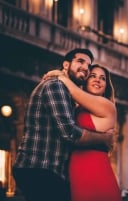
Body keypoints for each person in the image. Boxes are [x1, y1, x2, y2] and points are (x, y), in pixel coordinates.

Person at [13, 48, 114, 201]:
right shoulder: (56, 86)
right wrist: (104, 139)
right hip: (41, 167)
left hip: (52, 169)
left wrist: (63, 77)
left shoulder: (69, 92)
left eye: (88, 65)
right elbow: (69, 133)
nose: (85, 68)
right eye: (80, 61)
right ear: (66, 65)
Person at [44, 64, 122, 201]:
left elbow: (74, 91)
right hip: (75, 170)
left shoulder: (107, 105)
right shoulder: (77, 107)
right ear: (85, 80)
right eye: (93, 76)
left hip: (95, 170)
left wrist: (60, 75)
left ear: (106, 86)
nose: (98, 80)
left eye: (102, 78)